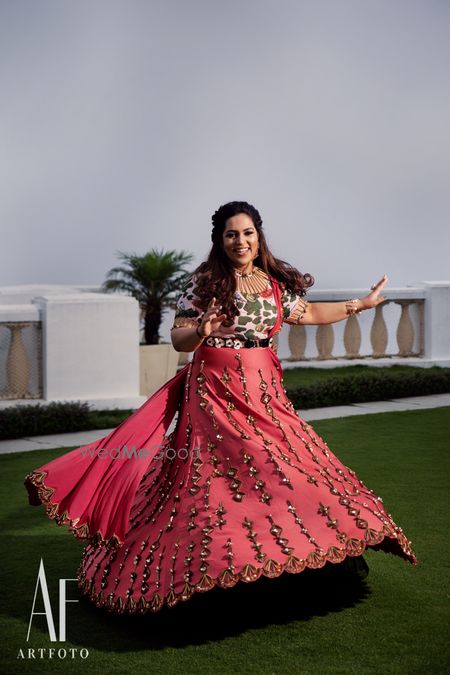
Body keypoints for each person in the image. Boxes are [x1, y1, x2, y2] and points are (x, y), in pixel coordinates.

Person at [24, 201, 417, 615]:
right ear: (220, 240)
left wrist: (361, 305)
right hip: (214, 392)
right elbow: (179, 340)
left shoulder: (273, 282)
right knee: (217, 482)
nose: (240, 241)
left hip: (265, 392)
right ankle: (210, 577)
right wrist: (202, 329)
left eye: (247, 233)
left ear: (258, 235)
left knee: (287, 465)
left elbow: (311, 312)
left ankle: (281, 562)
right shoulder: (204, 283)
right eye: (231, 234)